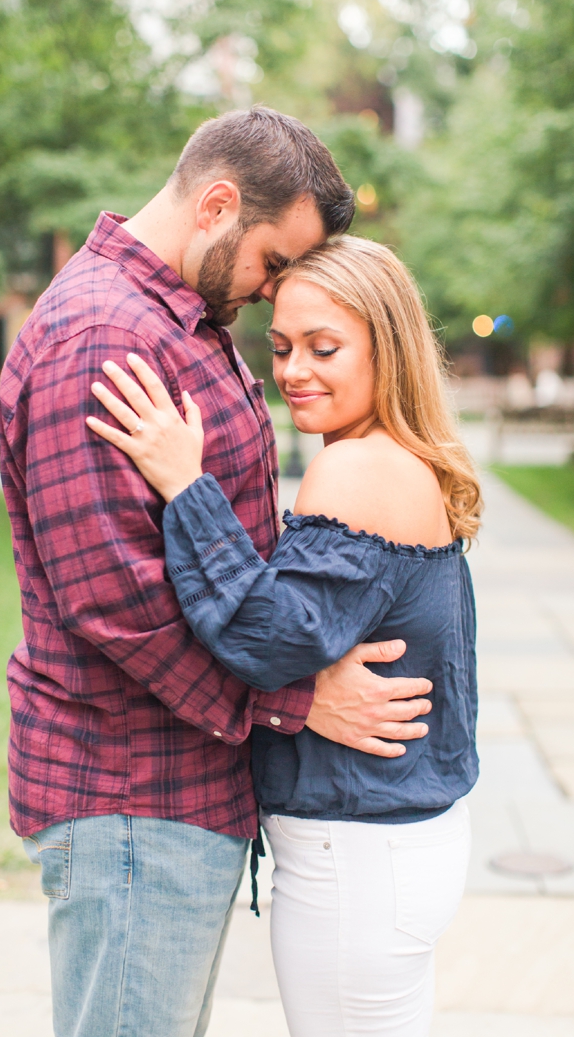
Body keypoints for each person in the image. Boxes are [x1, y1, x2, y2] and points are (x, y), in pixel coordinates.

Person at [0, 107, 432, 1037]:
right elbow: (115, 603)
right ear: (219, 205)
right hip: (127, 796)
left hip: (175, 793)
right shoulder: (103, 336)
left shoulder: (178, 320)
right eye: (272, 262)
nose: (273, 289)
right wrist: (292, 702)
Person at [86, 235, 481, 1036]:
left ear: (390, 346)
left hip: (358, 859)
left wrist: (185, 484)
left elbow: (264, 637)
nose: (295, 370)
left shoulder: (358, 469)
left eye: (325, 347)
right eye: (283, 347)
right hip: (395, 849)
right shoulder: (403, 458)